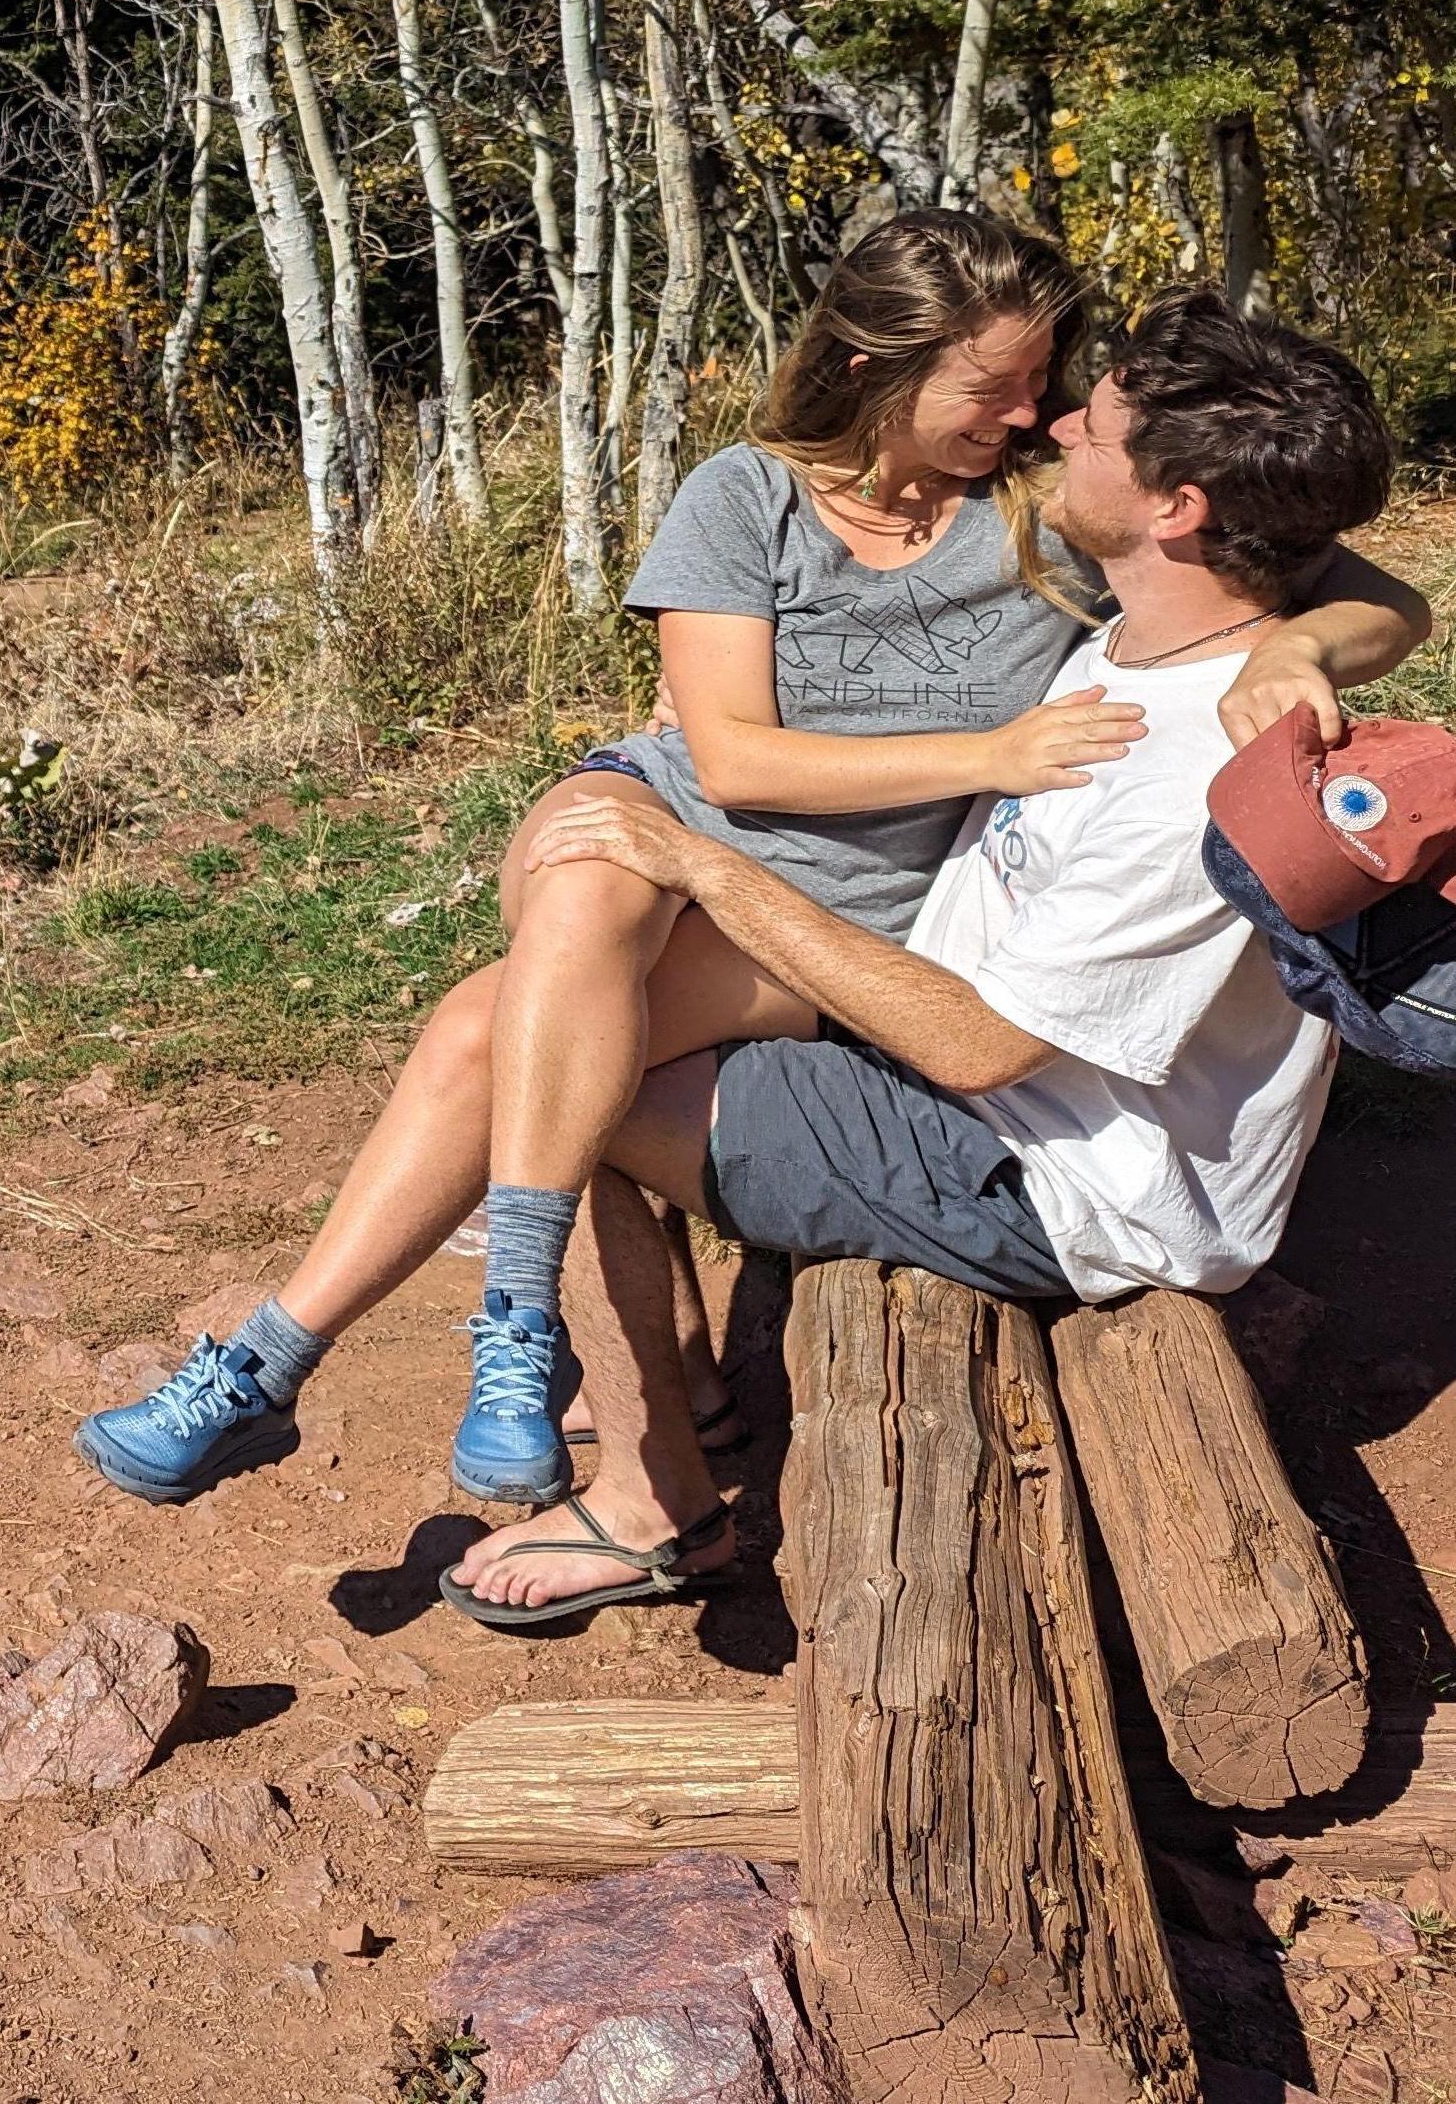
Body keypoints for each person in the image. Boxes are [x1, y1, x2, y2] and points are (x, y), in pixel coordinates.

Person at [76, 289, 1421, 1617]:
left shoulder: (1193, 759)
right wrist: (1304, 628)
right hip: (944, 1047)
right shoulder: (1142, 625)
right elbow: (1357, 587)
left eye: (1095, 420)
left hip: (1045, 1167)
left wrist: (700, 865)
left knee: (561, 1086)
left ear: (1177, 506)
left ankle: (653, 1499)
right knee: (528, 1015)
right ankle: (290, 1359)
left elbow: (978, 1045)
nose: (1057, 422)